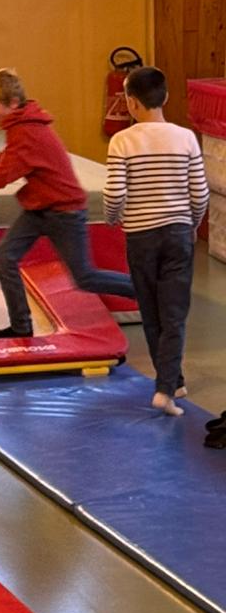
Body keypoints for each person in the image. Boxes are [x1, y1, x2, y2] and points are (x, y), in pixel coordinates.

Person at [0, 67, 135, 337]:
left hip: (65, 213)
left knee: (84, 277)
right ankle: (21, 327)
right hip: (39, 209)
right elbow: (11, 156)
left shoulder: (27, 133)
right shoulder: (22, 126)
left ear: (12, 103)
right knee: (4, 257)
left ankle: (147, 290)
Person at [104, 65, 208, 416]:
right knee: (174, 313)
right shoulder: (186, 137)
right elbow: (200, 192)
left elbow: (115, 193)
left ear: (131, 102)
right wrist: (191, 223)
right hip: (178, 234)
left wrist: (113, 217)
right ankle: (170, 385)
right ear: (165, 97)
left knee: (151, 313)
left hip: (141, 236)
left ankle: (165, 387)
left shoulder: (122, 141)